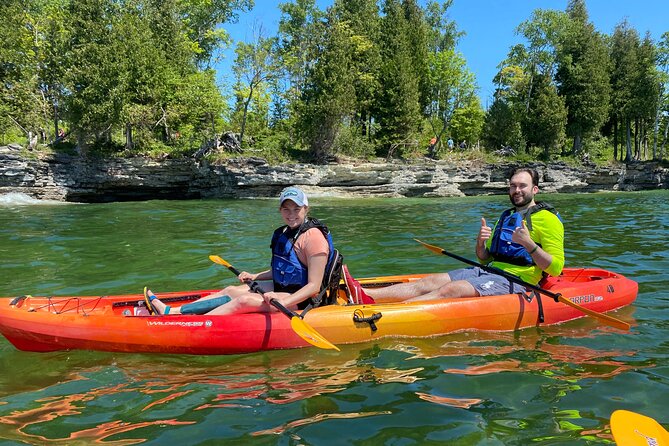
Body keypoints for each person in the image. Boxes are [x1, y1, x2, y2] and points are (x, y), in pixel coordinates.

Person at [344, 168, 564, 303]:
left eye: (522, 186)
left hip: (518, 281)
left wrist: (529, 245)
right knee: (429, 281)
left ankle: (389, 315)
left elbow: (555, 268)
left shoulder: (548, 219)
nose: (517, 190)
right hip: (487, 271)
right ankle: (361, 294)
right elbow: (484, 259)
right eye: (513, 186)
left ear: (535, 189)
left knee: (451, 289)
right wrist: (480, 244)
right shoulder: (506, 215)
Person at [145, 186, 340, 315]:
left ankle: (185, 324)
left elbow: (314, 286)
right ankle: (172, 312)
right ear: (280, 210)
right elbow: (284, 270)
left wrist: (286, 301)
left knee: (244, 300)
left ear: (306, 209)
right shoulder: (285, 233)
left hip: (304, 299)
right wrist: (255, 275)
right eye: (286, 209)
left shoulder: (313, 238)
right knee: (231, 290)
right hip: (285, 289)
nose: (291, 215)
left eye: (296, 209)